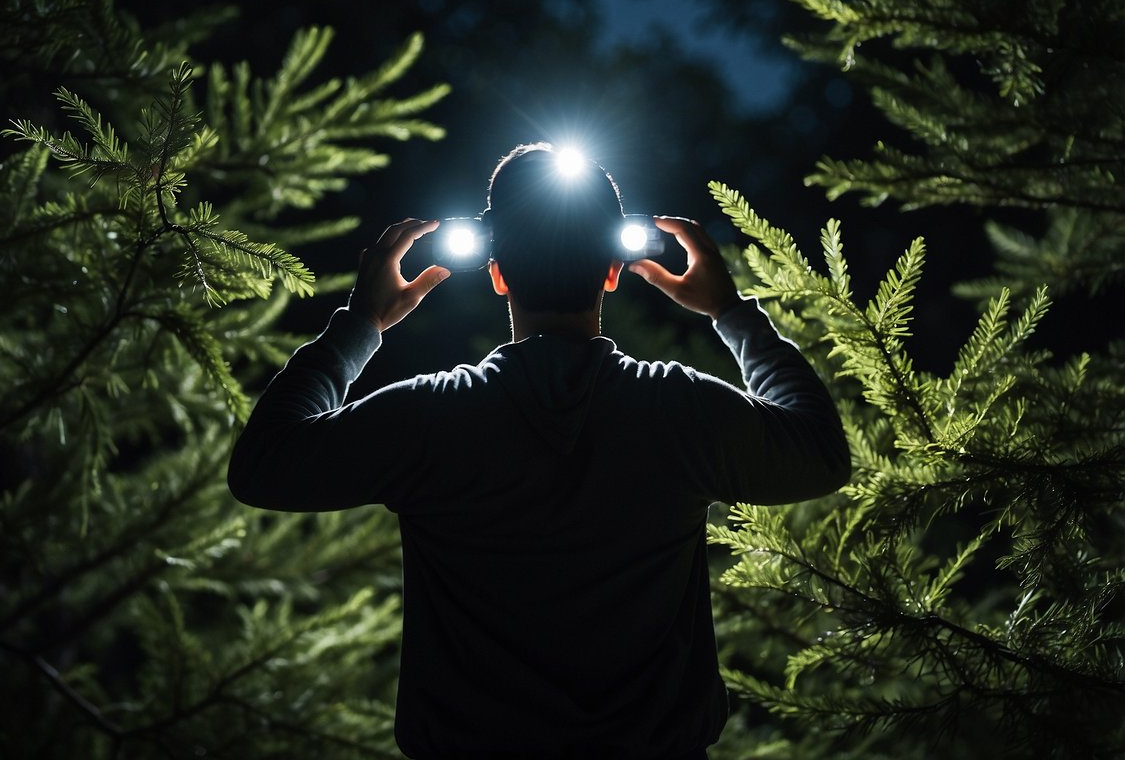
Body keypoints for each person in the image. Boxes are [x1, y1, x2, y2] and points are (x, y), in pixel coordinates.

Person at [227, 143, 850, 759]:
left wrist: (360, 323)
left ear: (497, 274)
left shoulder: (431, 417)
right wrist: (731, 313)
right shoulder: (677, 409)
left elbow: (263, 468)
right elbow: (821, 453)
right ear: (613, 269)